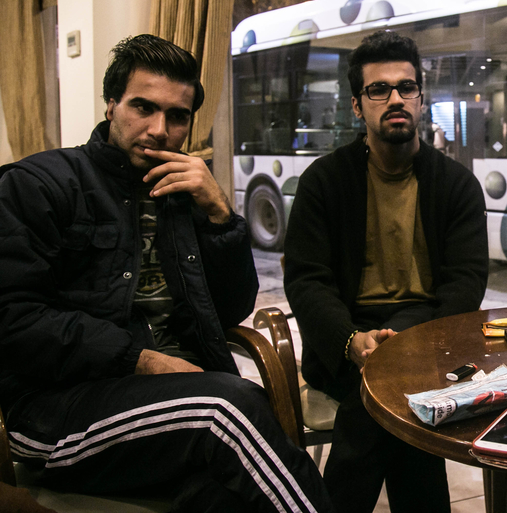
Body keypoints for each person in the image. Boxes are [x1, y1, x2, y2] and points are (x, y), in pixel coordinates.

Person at [0, 35, 331, 512]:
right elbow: (14, 319)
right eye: (143, 107)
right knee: (227, 412)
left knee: (230, 489)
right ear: (111, 105)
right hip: (59, 411)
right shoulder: (40, 184)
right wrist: (142, 360)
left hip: (182, 399)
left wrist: (220, 216)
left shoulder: (184, 195)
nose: (159, 130)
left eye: (177, 116)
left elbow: (231, 310)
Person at [283, 31, 489, 513]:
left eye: (406, 87)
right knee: (395, 396)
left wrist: (408, 342)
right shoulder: (323, 181)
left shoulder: (457, 185)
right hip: (344, 340)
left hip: (427, 334)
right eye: (379, 89)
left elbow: (465, 284)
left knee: (383, 392)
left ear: (421, 99)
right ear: (358, 106)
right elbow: (307, 281)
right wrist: (351, 340)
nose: (395, 99)